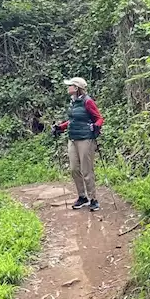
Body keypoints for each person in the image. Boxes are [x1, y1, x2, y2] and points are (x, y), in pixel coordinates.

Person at [51, 76, 103, 211]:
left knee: (87, 170)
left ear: (76, 88)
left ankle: (93, 198)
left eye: (70, 85)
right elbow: (73, 120)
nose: (67, 87)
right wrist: (61, 127)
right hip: (72, 138)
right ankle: (82, 197)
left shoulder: (88, 101)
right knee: (74, 169)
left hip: (85, 138)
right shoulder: (73, 102)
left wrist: (96, 127)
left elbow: (99, 118)